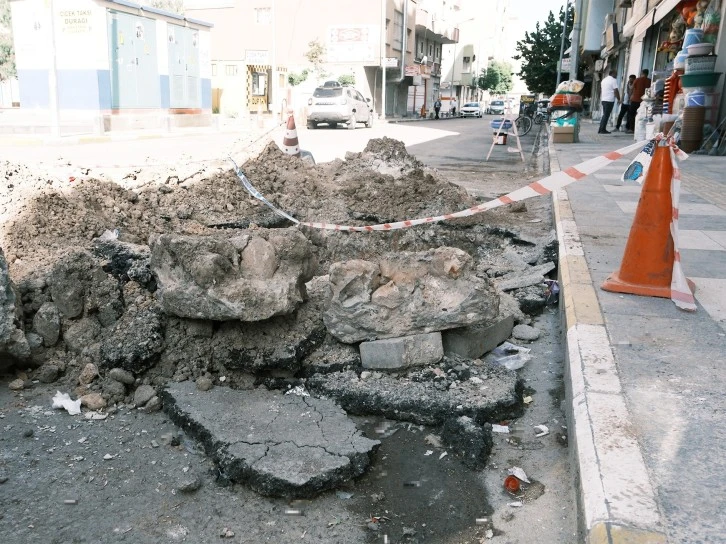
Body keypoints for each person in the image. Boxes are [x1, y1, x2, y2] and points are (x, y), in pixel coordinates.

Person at [628, 69, 651, 134]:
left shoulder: (637, 80)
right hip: (644, 101)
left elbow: (632, 88)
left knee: (632, 114)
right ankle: (638, 129)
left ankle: (631, 128)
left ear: (642, 73)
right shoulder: (649, 81)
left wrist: (630, 97)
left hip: (635, 99)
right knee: (642, 115)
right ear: (647, 73)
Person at [598, 70, 620, 134]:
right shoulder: (613, 80)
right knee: (606, 115)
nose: (617, 75)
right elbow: (616, 90)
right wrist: (619, 99)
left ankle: (601, 129)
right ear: (612, 74)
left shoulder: (604, 80)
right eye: (616, 74)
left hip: (603, 99)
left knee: (605, 114)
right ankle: (602, 130)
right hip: (609, 100)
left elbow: (600, 89)